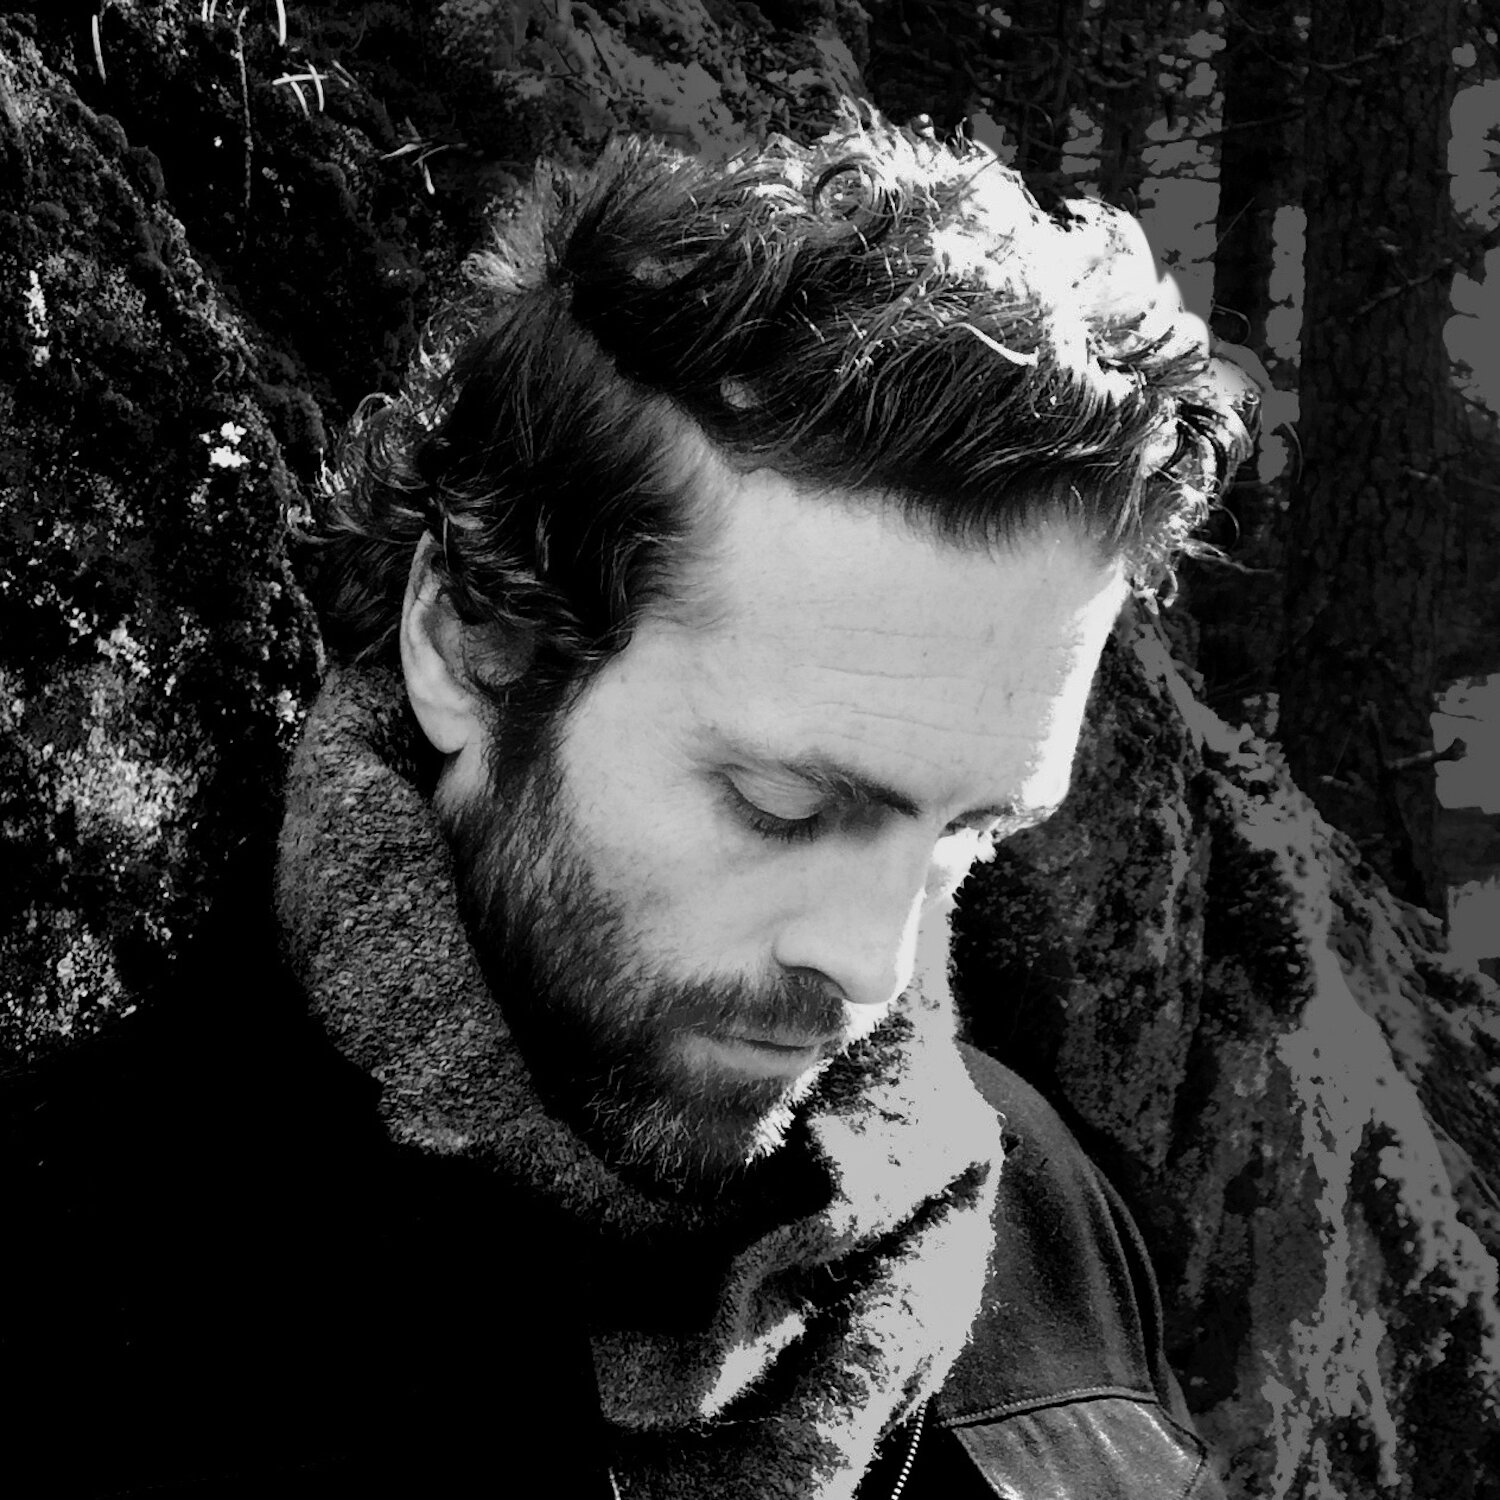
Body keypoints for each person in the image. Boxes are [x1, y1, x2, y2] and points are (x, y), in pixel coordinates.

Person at [2, 105, 1254, 1498]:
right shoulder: (90, 1304)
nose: (875, 963)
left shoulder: (1052, 1229)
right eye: (782, 805)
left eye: (969, 835)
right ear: (471, 645)